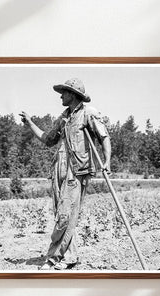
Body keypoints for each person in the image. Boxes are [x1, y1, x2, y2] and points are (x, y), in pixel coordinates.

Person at [20, 78, 111, 270]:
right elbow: (47, 139)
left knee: (65, 215)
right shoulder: (63, 118)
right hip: (59, 169)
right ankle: (69, 257)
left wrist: (107, 161)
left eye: (64, 92)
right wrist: (30, 123)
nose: (60, 95)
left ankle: (53, 257)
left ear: (73, 94)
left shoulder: (89, 114)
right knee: (63, 216)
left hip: (78, 170)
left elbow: (104, 137)